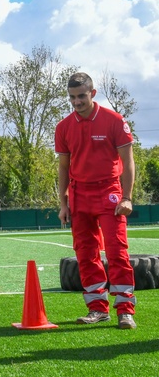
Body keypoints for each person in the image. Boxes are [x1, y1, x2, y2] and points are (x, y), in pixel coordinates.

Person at [56, 72, 137, 329]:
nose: (76, 102)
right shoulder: (63, 127)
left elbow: (128, 162)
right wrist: (63, 203)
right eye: (72, 97)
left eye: (81, 96)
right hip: (79, 194)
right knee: (85, 253)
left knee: (116, 251)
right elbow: (63, 167)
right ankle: (97, 309)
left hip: (109, 192)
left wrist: (127, 197)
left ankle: (125, 310)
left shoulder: (114, 121)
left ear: (93, 93)